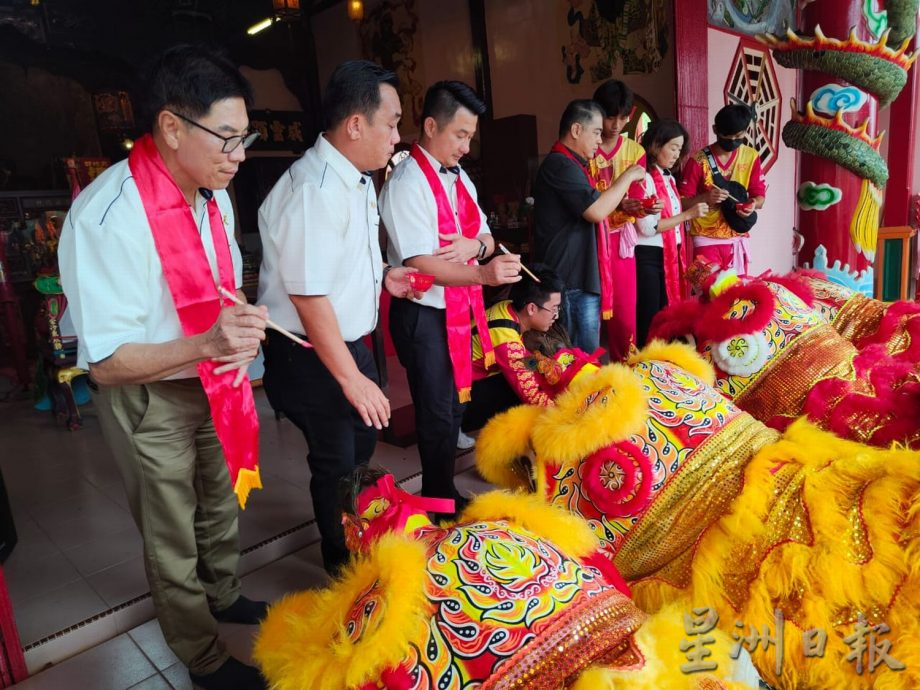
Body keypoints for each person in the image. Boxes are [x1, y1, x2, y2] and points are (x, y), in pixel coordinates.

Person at [59, 45, 270, 690]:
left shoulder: (214, 197)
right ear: (172, 126)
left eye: (244, 138)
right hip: (150, 393)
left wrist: (234, 336)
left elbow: (218, 289)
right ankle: (200, 654)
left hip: (212, 381)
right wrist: (208, 345)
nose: (238, 156)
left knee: (219, 499)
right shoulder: (108, 217)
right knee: (171, 529)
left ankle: (225, 592)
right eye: (227, 139)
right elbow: (107, 362)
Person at [257, 60, 418, 575]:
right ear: (355, 124)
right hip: (311, 351)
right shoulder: (315, 189)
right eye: (391, 123)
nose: (397, 136)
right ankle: (341, 562)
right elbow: (307, 297)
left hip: (347, 343)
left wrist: (381, 279)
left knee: (360, 445)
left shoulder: (352, 178)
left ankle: (355, 529)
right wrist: (349, 378)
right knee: (336, 457)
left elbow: (335, 266)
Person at [379, 80, 521, 508]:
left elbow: (486, 236)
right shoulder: (407, 183)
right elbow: (419, 262)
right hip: (424, 313)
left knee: (458, 402)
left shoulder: (460, 181)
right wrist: (480, 271)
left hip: (459, 308)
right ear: (429, 126)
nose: (465, 147)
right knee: (437, 408)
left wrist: (474, 247)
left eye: (469, 137)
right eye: (459, 135)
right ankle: (438, 495)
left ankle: (444, 489)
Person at [533, 99, 646, 354]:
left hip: (578, 278)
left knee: (586, 359)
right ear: (575, 130)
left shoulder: (574, 165)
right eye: (596, 132)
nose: (600, 139)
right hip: (570, 281)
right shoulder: (560, 165)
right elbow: (595, 211)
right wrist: (627, 176)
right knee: (578, 359)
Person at [590, 80, 660, 359]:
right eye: (609, 116)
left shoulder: (636, 152)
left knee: (624, 316)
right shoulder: (586, 147)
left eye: (623, 117)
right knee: (589, 314)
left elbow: (638, 196)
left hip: (621, 241)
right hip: (589, 237)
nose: (616, 124)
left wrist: (639, 207)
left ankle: (626, 369)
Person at [633, 119, 709, 345]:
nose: (677, 155)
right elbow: (648, 227)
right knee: (650, 316)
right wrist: (688, 215)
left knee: (666, 315)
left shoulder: (669, 179)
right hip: (649, 256)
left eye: (680, 149)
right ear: (656, 146)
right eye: (673, 148)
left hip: (670, 253)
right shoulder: (644, 178)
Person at [461, 265, 564, 430]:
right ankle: (463, 424)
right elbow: (532, 394)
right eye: (553, 309)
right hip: (460, 396)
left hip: (464, 381)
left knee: (538, 369)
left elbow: (523, 360)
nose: (556, 315)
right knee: (520, 393)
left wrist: (546, 366)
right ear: (531, 308)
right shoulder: (506, 340)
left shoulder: (509, 307)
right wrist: (569, 412)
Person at [679, 103, 766, 274]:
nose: (733, 141)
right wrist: (706, 197)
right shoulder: (697, 161)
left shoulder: (751, 156)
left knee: (738, 297)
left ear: (746, 131)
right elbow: (680, 203)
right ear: (715, 130)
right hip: (704, 240)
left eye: (738, 136)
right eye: (727, 136)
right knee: (707, 294)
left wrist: (751, 205)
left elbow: (760, 197)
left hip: (737, 240)